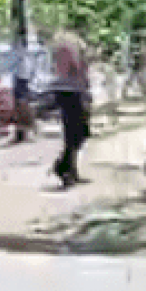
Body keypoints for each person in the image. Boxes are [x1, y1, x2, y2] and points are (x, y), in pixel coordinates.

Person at [50, 30, 91, 188]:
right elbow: (75, 67)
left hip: (64, 90)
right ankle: (63, 167)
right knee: (77, 131)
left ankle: (69, 169)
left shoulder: (58, 46)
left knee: (73, 131)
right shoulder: (71, 46)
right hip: (72, 90)